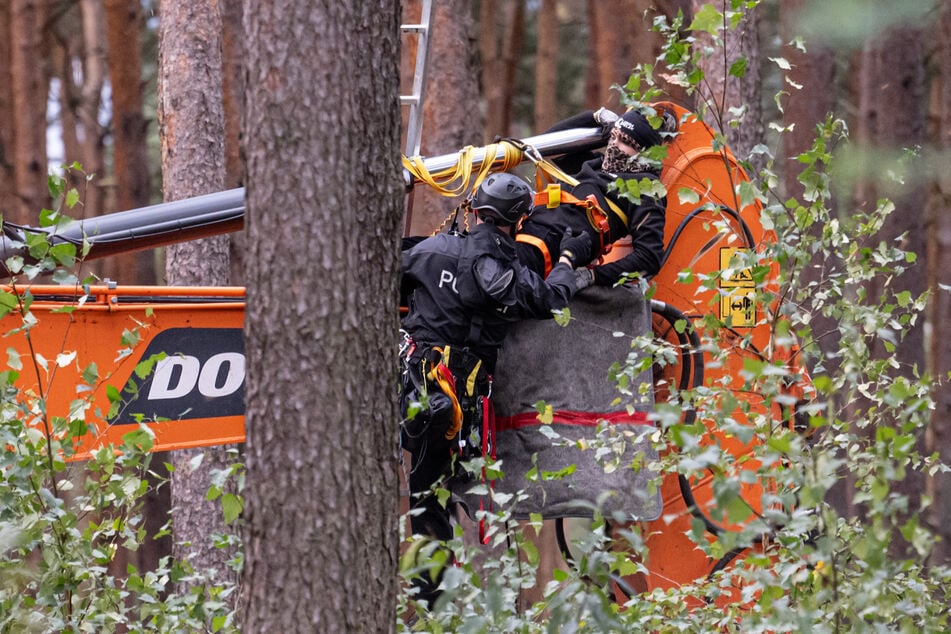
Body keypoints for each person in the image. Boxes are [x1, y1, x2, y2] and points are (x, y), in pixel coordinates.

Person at [399, 172, 592, 605]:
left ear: (475, 210)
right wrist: (567, 262)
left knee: (429, 496)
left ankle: (436, 600)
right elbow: (550, 302)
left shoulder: (429, 251)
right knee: (445, 494)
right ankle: (437, 605)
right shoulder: (506, 274)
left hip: (417, 389)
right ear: (519, 220)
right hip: (451, 400)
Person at [514, 107, 673, 289]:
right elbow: (548, 145)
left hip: (544, 254)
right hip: (516, 234)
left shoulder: (645, 188)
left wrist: (593, 276)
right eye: (613, 136)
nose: (614, 145)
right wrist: (594, 116)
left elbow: (649, 257)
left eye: (625, 141)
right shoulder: (593, 164)